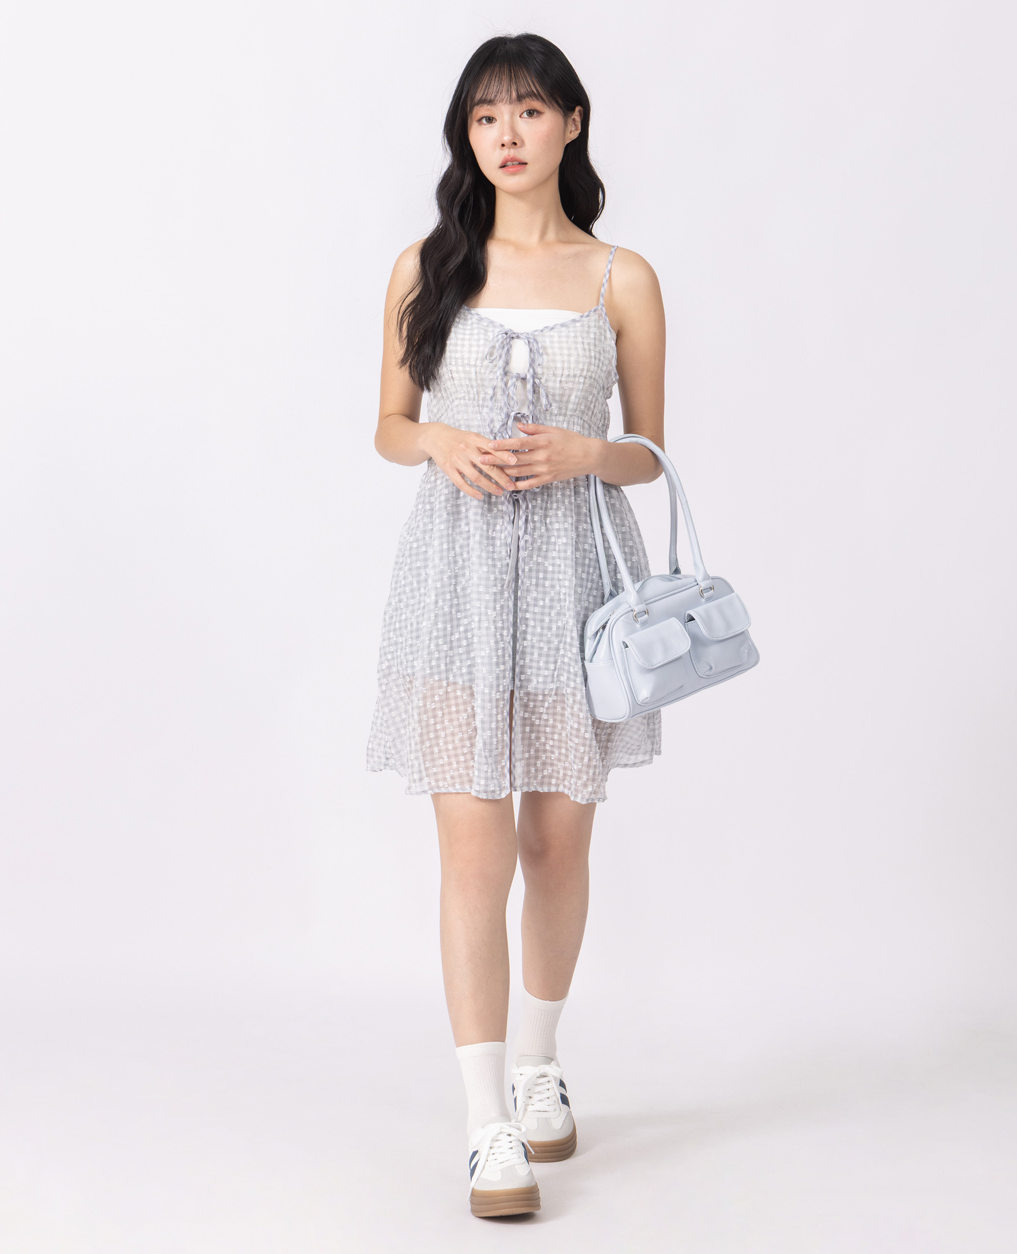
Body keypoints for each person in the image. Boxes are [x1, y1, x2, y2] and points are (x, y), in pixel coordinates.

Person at [367, 32, 666, 1218]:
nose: (506, 134)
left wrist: (589, 453)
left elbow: (649, 453)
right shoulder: (426, 265)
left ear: (570, 124)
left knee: (555, 845)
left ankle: (539, 1063)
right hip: (455, 584)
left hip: (574, 589)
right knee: (471, 854)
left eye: (529, 111)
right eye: (486, 115)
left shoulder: (620, 277)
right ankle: (487, 1122)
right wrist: (437, 440)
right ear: (467, 132)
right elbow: (388, 425)